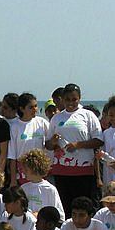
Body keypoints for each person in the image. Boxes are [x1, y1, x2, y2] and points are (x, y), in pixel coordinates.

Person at [45, 84, 103, 216]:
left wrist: (78, 145)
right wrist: (52, 142)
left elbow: (99, 140)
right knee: (66, 208)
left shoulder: (88, 115)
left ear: (79, 98)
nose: (71, 103)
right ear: (62, 99)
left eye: (74, 99)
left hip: (83, 171)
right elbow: (48, 145)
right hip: (61, 171)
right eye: (67, 99)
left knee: (84, 208)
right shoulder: (57, 118)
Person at [8, 93, 51, 187]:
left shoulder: (42, 122)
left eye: (36, 106)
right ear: (22, 108)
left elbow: (50, 142)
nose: (35, 109)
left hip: (39, 168)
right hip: (22, 170)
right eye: (30, 107)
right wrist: (13, 180)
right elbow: (12, 156)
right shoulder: (14, 126)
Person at [19, 149, 64, 217]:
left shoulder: (50, 189)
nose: (23, 172)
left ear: (35, 168)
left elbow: (59, 214)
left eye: (26, 169)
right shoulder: (23, 188)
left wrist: (40, 215)